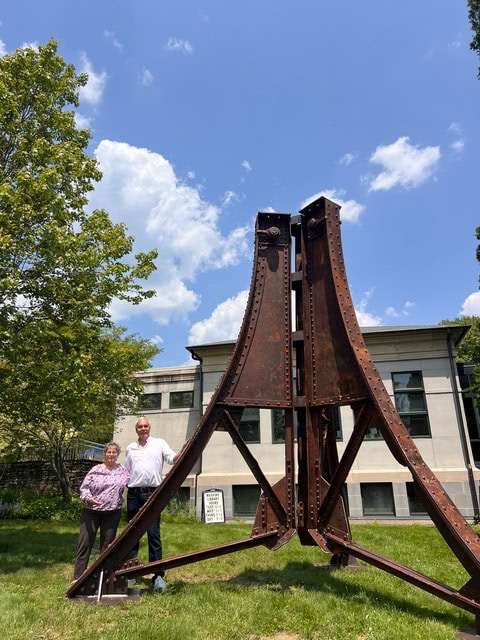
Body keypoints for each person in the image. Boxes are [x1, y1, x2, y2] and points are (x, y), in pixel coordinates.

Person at [125, 416, 182, 591]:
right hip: (134, 493)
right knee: (132, 534)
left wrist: (184, 449)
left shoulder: (159, 443)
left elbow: (173, 458)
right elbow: (126, 471)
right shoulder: (130, 448)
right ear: (136, 430)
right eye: (140, 426)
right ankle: (131, 573)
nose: (143, 428)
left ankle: (157, 576)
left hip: (152, 493)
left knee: (153, 534)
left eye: (146, 426)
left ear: (150, 428)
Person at [73, 442, 129, 580]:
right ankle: (78, 577)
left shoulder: (123, 471)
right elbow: (84, 488)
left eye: (114, 452)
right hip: (91, 512)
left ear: (117, 455)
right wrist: (88, 498)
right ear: (104, 454)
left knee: (107, 546)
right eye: (108, 452)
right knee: (85, 544)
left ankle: (103, 577)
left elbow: (134, 482)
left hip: (112, 513)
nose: (111, 454)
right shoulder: (95, 469)